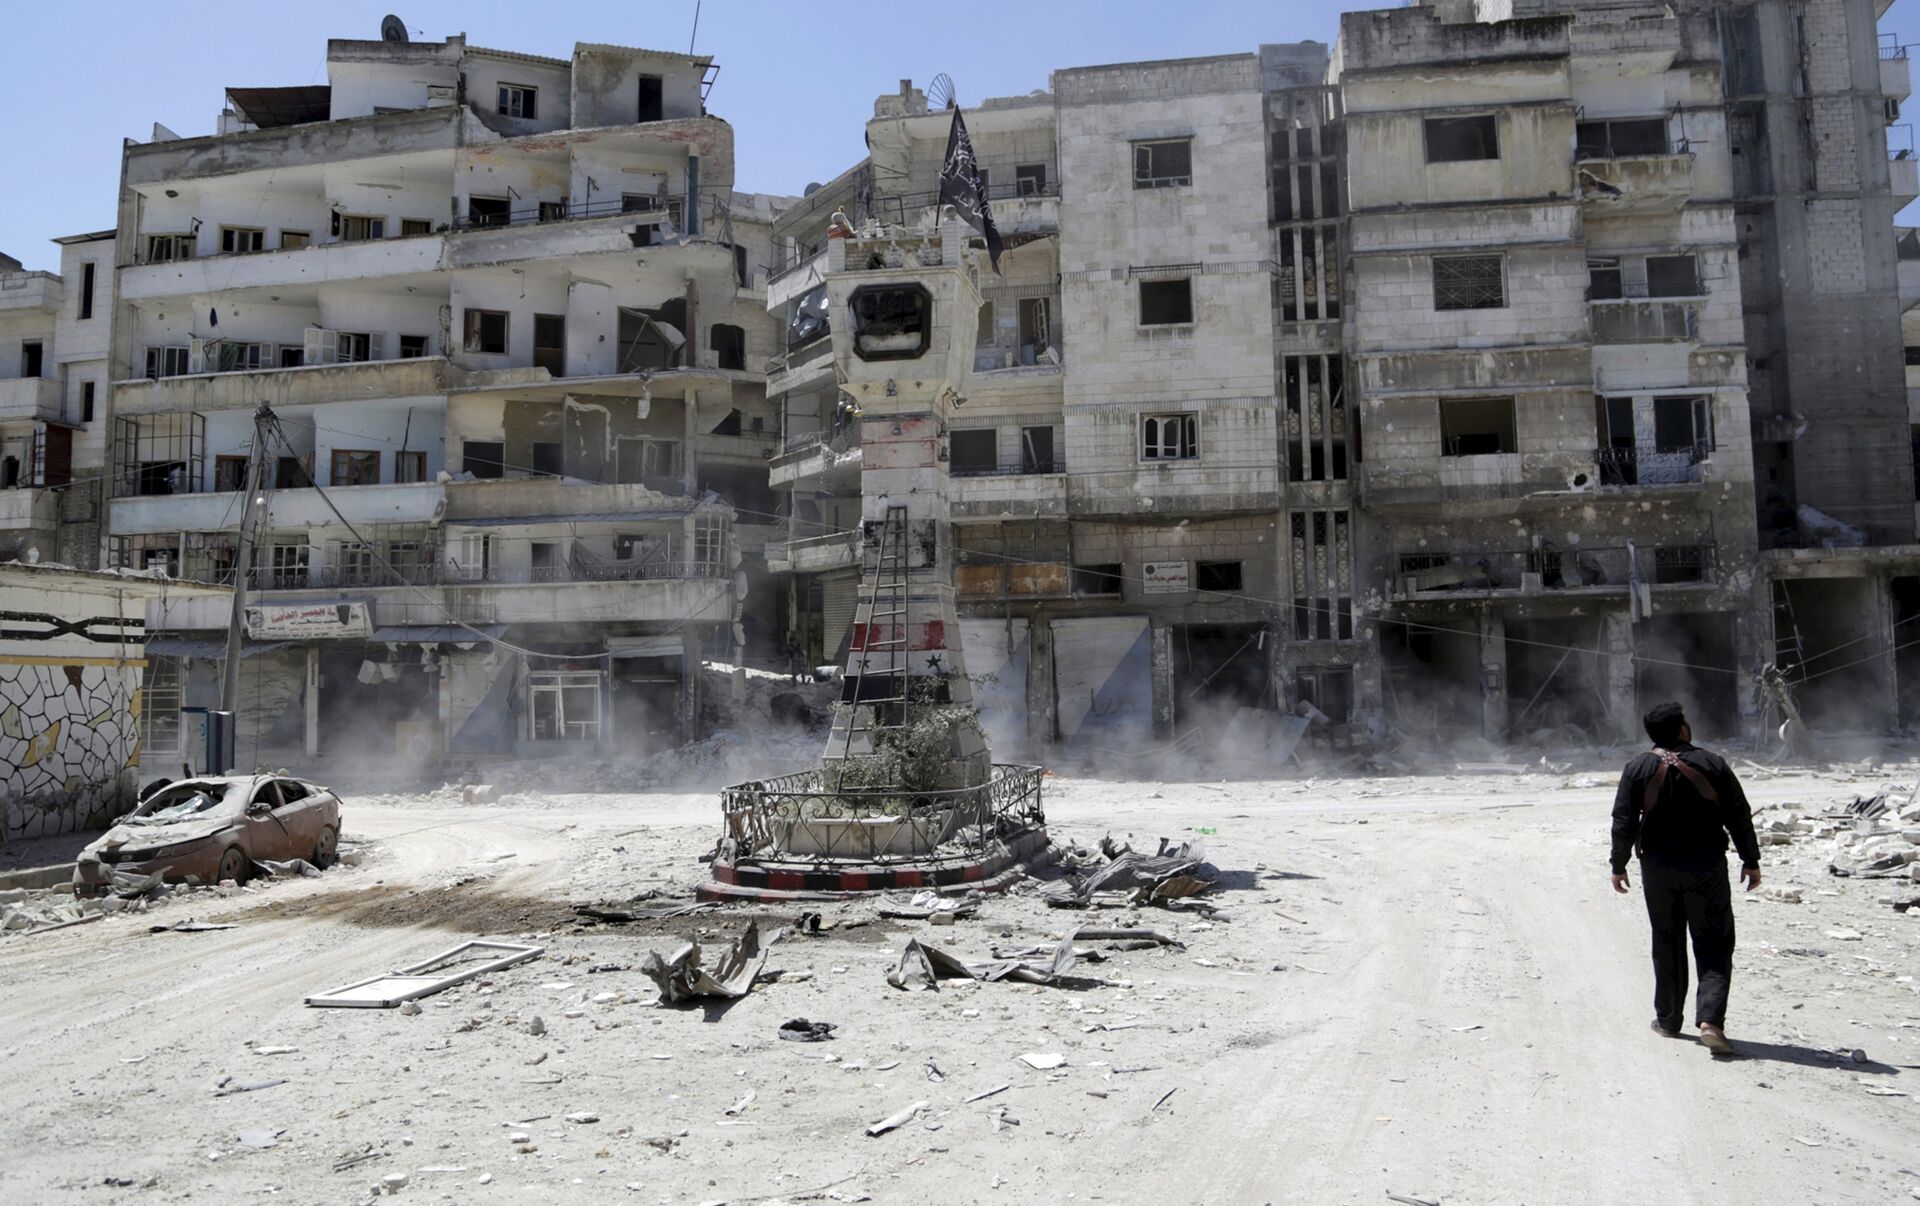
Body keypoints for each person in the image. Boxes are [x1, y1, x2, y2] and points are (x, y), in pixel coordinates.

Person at [1610, 701, 1762, 1056]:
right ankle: (1710, 1021)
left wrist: (1618, 865)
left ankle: (1668, 1020)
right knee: (1714, 943)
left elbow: (1623, 820)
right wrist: (1750, 859)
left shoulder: (1637, 767)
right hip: (1706, 867)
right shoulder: (1712, 763)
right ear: (1682, 729)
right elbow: (1738, 814)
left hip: (1658, 869)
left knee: (1667, 940)